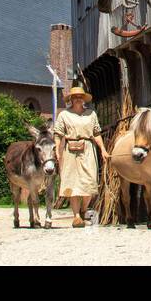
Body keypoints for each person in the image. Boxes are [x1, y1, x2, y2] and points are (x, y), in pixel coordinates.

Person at [53, 81, 108, 227]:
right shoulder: (64, 115)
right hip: (70, 150)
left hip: (88, 149)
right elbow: (58, 134)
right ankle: (76, 216)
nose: (78, 99)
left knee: (89, 183)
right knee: (72, 183)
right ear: (70, 99)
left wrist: (103, 149)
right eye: (75, 96)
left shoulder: (91, 114)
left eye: (80, 96)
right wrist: (58, 151)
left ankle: (84, 210)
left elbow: (96, 133)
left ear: (84, 99)